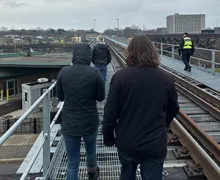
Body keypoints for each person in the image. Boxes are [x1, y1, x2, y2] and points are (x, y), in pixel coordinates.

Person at [102, 36, 179, 180]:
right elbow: (173, 108)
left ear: (130, 52)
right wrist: (163, 124)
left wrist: (108, 137)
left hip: (127, 141)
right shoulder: (165, 78)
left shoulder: (120, 78)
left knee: (127, 173)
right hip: (155, 142)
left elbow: (110, 112)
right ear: (152, 52)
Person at [56, 43, 105, 180]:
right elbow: (101, 97)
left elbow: (60, 96)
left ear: (74, 55)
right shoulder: (95, 72)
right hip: (90, 120)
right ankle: (92, 173)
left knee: (72, 162)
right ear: (89, 56)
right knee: (91, 150)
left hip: (69, 122)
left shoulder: (64, 72)